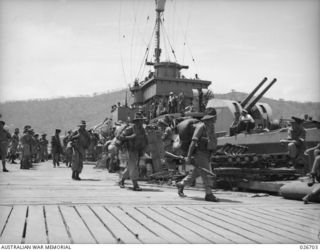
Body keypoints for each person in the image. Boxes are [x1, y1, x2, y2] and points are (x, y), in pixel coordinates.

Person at [176, 108, 219, 202]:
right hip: (200, 154)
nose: (214, 120)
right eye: (212, 118)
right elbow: (193, 142)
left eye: (214, 118)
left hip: (207, 154)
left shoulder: (211, 128)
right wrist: (188, 156)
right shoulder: (201, 127)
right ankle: (209, 194)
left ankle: (181, 184)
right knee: (206, 174)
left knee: (196, 174)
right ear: (208, 119)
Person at [118, 112, 148, 191]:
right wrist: (130, 137)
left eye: (142, 120)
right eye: (140, 120)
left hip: (138, 150)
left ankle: (121, 181)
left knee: (130, 167)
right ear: (136, 121)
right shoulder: (130, 129)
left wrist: (143, 149)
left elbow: (144, 139)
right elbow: (120, 137)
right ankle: (135, 184)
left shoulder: (142, 130)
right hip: (130, 150)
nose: (142, 122)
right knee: (133, 167)